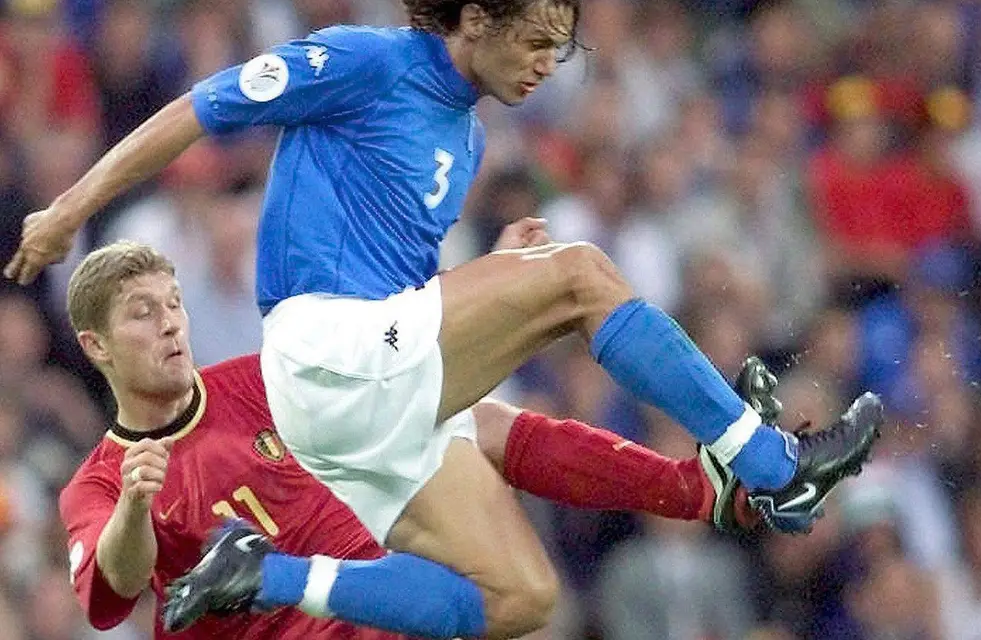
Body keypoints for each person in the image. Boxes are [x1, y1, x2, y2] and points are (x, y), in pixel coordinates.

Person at [7, 0, 884, 637]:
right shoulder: (366, 62)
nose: (547, 64)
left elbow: (404, 294)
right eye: (535, 40)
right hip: (321, 349)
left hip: (361, 393)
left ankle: (260, 574)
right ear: (473, 19)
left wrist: (491, 275)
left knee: (521, 599)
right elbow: (200, 111)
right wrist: (69, 209)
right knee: (576, 273)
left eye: (561, 48)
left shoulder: (465, 137)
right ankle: (767, 463)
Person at [61, 240, 779, 638]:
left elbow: (402, 364)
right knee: (524, 588)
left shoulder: (260, 381)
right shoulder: (98, 483)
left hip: (386, 617)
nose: (170, 322)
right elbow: (113, 593)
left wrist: (497, 287)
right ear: (95, 346)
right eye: (142, 312)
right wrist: (134, 504)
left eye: (176, 303)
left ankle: (702, 490)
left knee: (464, 423)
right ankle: (705, 490)